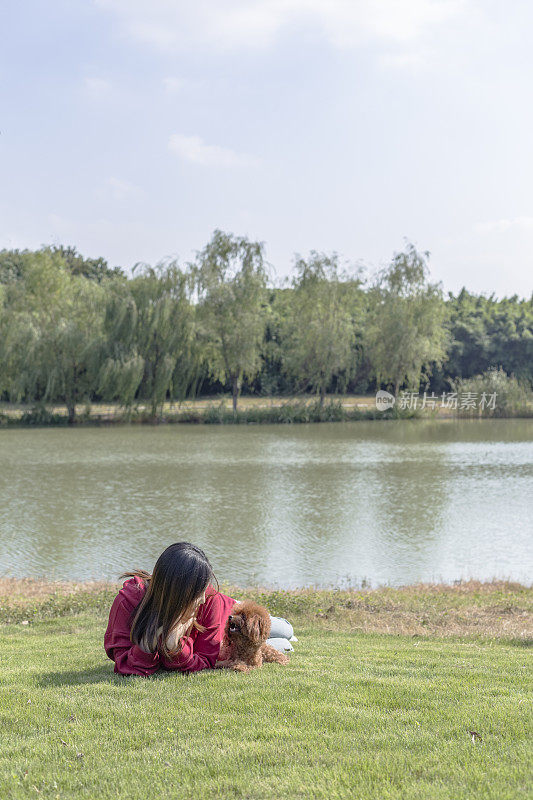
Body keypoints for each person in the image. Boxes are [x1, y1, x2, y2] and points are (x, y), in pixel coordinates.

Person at [104, 542, 295, 676]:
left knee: (286, 631)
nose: (203, 598)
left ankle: (283, 629)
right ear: (178, 593)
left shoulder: (209, 600)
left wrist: (176, 648)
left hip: (233, 612)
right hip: (231, 632)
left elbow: (205, 660)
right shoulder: (127, 602)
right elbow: (124, 664)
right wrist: (155, 646)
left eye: (205, 589)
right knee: (284, 646)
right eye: (198, 592)